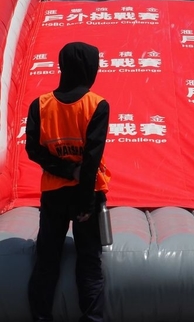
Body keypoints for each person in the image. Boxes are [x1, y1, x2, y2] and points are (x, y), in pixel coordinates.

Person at [26, 42, 111, 322]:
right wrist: (86, 202)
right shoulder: (97, 105)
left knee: (47, 259)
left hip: (54, 194)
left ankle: (41, 316)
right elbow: (92, 158)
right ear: (90, 68)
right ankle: (92, 318)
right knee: (89, 261)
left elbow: (33, 150)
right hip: (87, 194)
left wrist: (64, 170)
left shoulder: (40, 105)